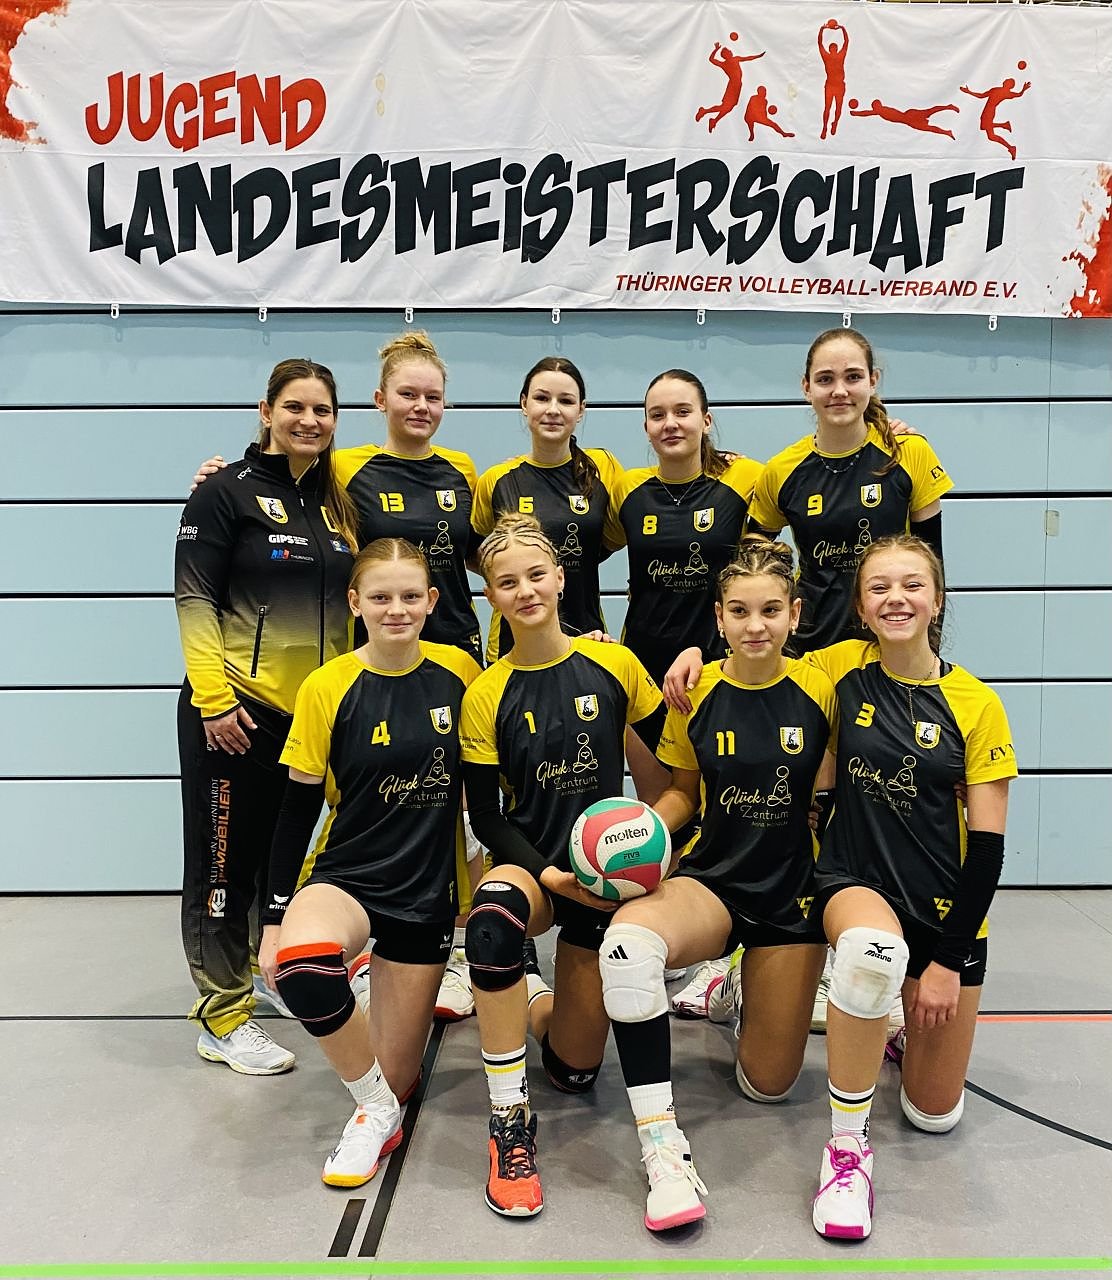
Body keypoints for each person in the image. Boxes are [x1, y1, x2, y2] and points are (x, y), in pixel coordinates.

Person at [598, 536, 836, 1231]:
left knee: (768, 1087)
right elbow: (682, 792)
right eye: (739, 611)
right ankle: (661, 1145)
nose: (755, 625)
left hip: (792, 894)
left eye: (770, 610)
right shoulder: (694, 691)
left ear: (795, 614)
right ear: (719, 617)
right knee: (627, 946)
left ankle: (734, 990)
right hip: (715, 880)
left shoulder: (824, 685)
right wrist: (639, 834)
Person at [804, 535, 1015, 1240]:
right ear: (861, 607)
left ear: (938, 600)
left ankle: (894, 1033)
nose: (896, 599)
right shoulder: (838, 669)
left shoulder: (977, 703)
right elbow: (752, 657)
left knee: (933, 1114)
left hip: (942, 909)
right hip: (856, 881)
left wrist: (949, 960)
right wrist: (689, 655)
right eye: (879, 588)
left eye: (912, 585)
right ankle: (847, 1150)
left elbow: (987, 850)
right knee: (871, 954)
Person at [459, 513, 666, 1218]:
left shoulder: (614, 664)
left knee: (575, 1072)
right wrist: (549, 875)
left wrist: (652, 844)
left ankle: (532, 998)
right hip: (535, 868)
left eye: (536, 575)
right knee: (491, 923)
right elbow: (488, 817)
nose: (525, 591)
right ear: (490, 596)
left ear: (560, 577)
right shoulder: (486, 693)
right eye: (506, 582)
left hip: (602, 878)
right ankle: (508, 1118)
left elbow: (672, 767)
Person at [256, 538, 480, 1186]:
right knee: (300, 967)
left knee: (401, 1076)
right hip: (347, 876)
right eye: (380, 597)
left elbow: (482, 786)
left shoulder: (461, 672)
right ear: (355, 602)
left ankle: (379, 1056)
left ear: (432, 601)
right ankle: (372, 1111)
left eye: (410, 596)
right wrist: (273, 919)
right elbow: (296, 810)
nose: (396, 609)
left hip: (424, 893)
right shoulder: (327, 685)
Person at [175, 358, 358, 1074]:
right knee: (223, 864)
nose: (309, 420)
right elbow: (193, 600)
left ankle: (254, 973)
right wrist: (215, 701)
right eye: (296, 407)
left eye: (322, 410)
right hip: (233, 715)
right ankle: (222, 1017)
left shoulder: (337, 504)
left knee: (274, 859)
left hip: (306, 720)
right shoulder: (224, 492)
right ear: (266, 411)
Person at [747, 326, 952, 655]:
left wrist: (929, 647)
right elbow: (750, 561)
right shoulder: (780, 470)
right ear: (806, 387)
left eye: (853, 377)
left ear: (873, 381)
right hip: (809, 646)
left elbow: (933, 563)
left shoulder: (909, 453)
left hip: (891, 644)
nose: (839, 390)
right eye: (825, 379)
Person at [471, 356, 625, 661]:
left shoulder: (604, 469)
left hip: (588, 635)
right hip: (510, 643)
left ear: (581, 410)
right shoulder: (496, 480)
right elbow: (474, 551)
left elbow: (614, 536)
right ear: (524, 404)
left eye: (565, 401)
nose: (553, 410)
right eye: (542, 398)